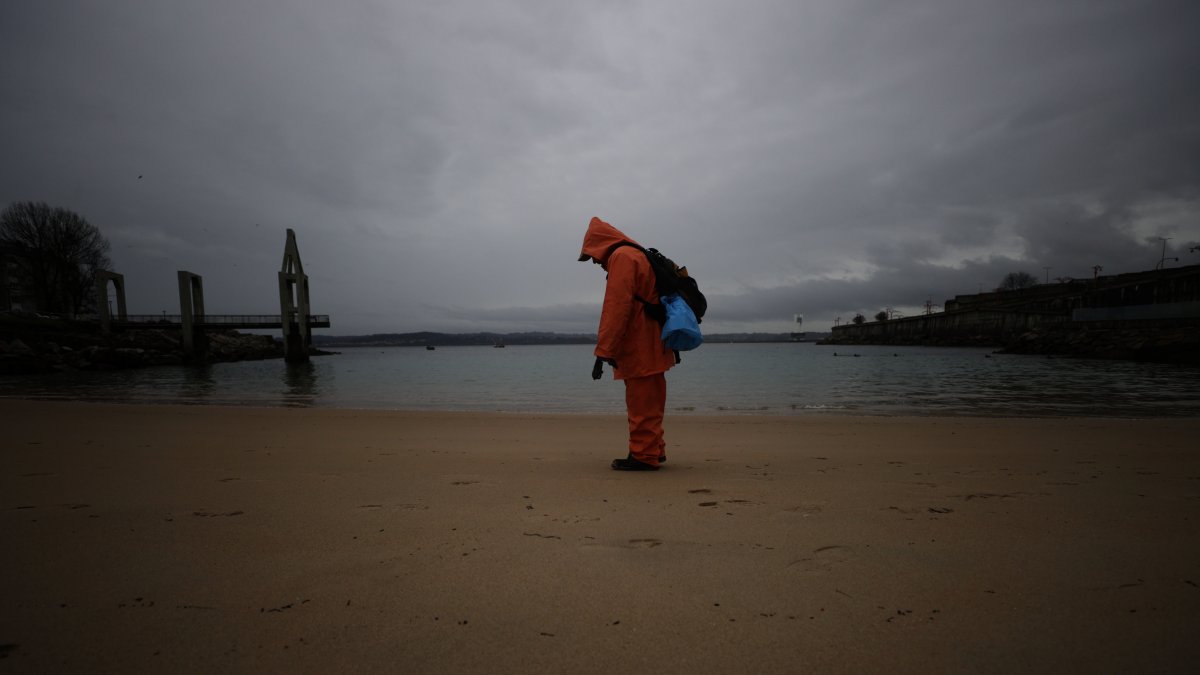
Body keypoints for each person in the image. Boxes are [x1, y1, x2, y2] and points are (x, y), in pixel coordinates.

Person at [578, 216, 675, 471]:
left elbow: (616, 308)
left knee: (641, 402)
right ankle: (655, 450)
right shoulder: (637, 254)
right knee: (652, 401)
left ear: (600, 245)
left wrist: (603, 352)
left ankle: (643, 456)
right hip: (655, 340)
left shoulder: (622, 258)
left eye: (593, 256)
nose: (596, 262)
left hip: (639, 344)